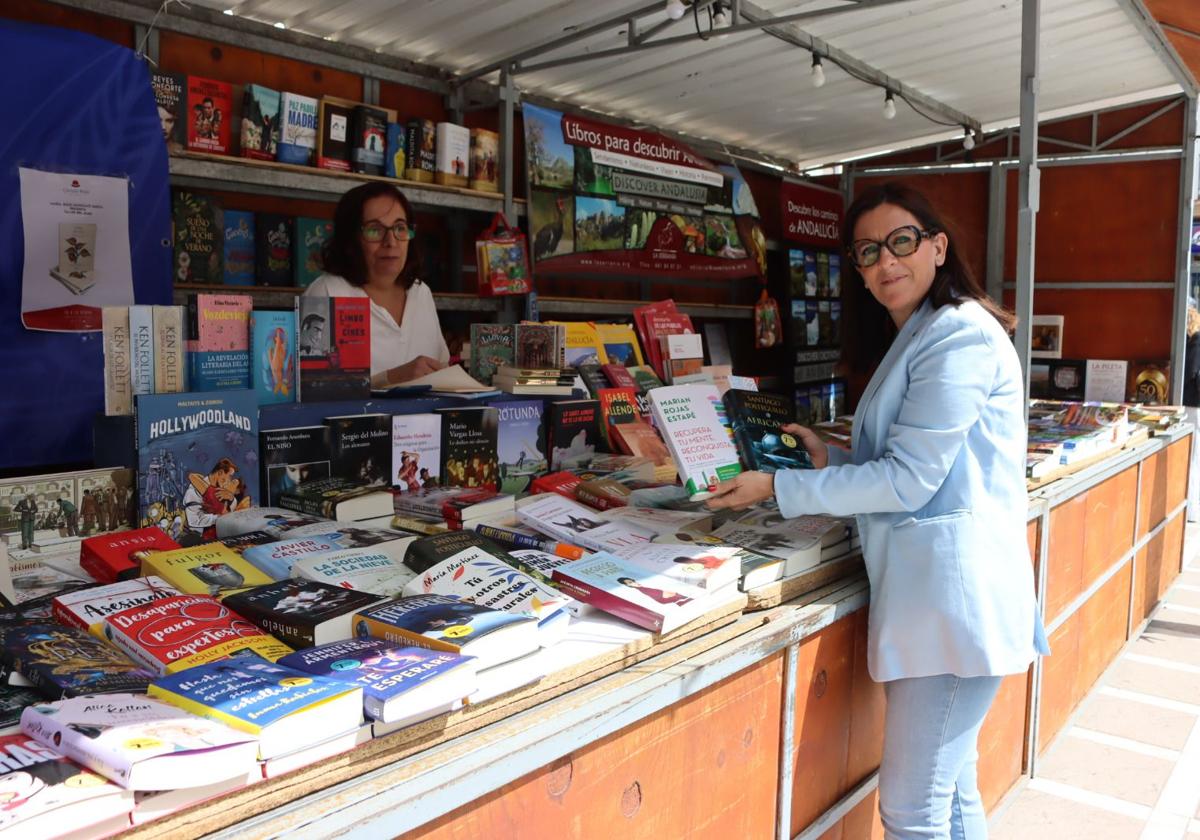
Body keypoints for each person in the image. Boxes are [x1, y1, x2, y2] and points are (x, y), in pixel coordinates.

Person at [706, 182, 1048, 840]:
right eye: (868, 252)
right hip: (942, 605)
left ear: (937, 247)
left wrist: (777, 491)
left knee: (912, 811)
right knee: (948, 796)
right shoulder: (922, 331)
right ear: (857, 271)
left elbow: (911, 480)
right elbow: (913, 463)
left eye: (901, 243)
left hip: (954, 608)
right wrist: (827, 463)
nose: (886, 263)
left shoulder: (958, 338)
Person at [304, 182, 449, 387]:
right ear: (351, 239)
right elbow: (312, 388)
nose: (391, 241)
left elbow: (441, 368)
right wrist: (390, 379)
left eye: (400, 228)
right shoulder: (328, 292)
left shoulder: (421, 292)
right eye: (375, 230)